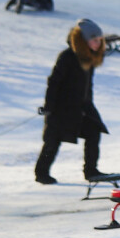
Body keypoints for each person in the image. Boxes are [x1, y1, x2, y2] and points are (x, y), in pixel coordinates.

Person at [35, 19, 109, 184]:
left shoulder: (88, 58)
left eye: (100, 40)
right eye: (94, 40)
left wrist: (88, 105)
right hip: (60, 109)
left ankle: (91, 171)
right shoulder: (67, 57)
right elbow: (54, 82)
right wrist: (49, 107)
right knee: (52, 141)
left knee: (93, 131)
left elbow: (87, 86)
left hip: (82, 107)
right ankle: (41, 172)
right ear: (84, 40)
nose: (98, 44)